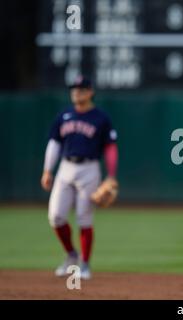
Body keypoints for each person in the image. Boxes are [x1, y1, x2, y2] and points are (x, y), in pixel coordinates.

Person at [41, 76, 119, 280]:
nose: (77, 92)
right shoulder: (64, 115)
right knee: (56, 216)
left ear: (90, 91)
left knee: (84, 217)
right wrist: (48, 170)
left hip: (89, 168)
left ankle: (84, 264)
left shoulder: (100, 118)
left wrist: (111, 175)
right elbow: (54, 143)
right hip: (65, 168)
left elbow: (110, 147)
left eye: (81, 88)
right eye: (74, 88)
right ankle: (71, 255)